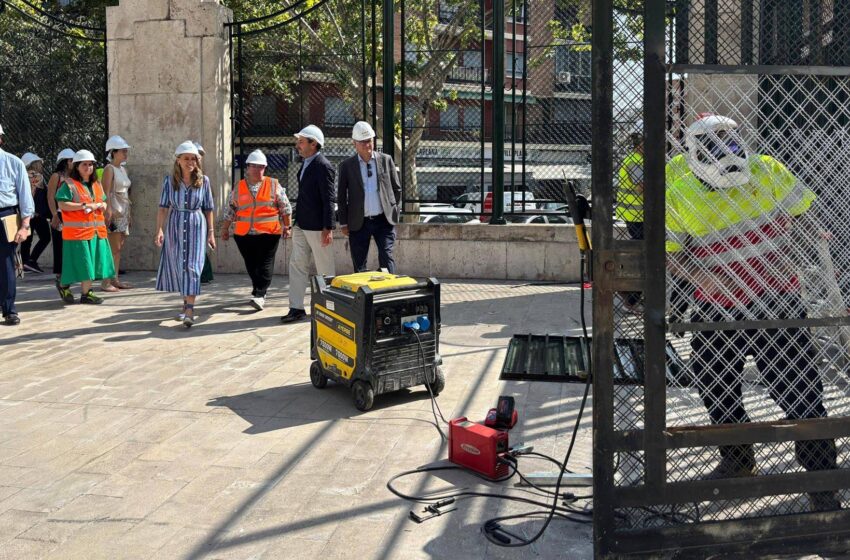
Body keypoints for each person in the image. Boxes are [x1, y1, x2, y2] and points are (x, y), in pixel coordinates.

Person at [665, 113, 839, 510]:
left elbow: (804, 209)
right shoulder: (679, 193)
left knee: (799, 390)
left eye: (729, 138)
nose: (724, 148)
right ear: (694, 150)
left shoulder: (767, 170)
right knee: (714, 382)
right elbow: (670, 249)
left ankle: (822, 482)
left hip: (777, 299)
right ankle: (738, 459)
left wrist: (818, 236)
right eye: (712, 141)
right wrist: (697, 275)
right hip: (718, 307)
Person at [221, 149, 292, 310]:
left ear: (265, 168)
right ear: (247, 168)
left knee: (265, 264)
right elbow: (230, 210)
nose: (257, 170)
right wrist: (225, 229)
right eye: (254, 166)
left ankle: (260, 295)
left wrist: (287, 226)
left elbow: (285, 207)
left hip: (269, 232)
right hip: (244, 234)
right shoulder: (238, 187)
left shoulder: (273, 184)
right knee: (252, 265)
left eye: (261, 167)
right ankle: (258, 290)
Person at [155, 141, 216, 327]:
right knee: (180, 264)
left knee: (193, 266)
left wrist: (211, 233)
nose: (190, 162)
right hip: (175, 224)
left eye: (193, 158)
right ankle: (185, 305)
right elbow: (163, 207)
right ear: (178, 160)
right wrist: (159, 229)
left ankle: (190, 309)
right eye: (186, 158)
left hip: (196, 224)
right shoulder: (169, 181)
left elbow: (208, 208)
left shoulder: (203, 181)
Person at [280, 125, 336, 323]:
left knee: (325, 268)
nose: (298, 145)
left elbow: (329, 199)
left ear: (314, 144)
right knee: (297, 265)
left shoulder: (323, 165)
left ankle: (330, 308)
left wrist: (328, 228)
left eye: (302, 142)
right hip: (301, 224)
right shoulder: (305, 163)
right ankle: (296, 308)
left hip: (318, 227)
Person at [337, 121, 401, 273]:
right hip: (359, 223)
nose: (368, 145)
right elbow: (341, 196)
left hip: (383, 221)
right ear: (355, 144)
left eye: (370, 140)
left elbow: (396, 188)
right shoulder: (346, 166)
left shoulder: (386, 160)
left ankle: (388, 292)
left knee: (387, 257)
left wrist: (393, 212)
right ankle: (364, 295)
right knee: (359, 264)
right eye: (363, 142)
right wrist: (344, 223)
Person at [55, 150, 115, 304]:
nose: (88, 167)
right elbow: (62, 204)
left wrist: (101, 204)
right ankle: (64, 285)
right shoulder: (68, 184)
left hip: (95, 232)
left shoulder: (96, 184)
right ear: (76, 167)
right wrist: (84, 206)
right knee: (81, 265)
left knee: (90, 265)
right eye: (84, 164)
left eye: (91, 164)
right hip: (77, 233)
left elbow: (103, 200)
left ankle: (86, 293)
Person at [0, 125, 34, 325]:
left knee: (5, 265)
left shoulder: (13, 163)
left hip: (6, 216)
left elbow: (25, 196)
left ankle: (9, 309)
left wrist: (25, 225)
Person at [616, 121, 644, 309]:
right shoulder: (635, 161)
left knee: (642, 256)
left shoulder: (638, 159)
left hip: (638, 216)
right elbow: (643, 188)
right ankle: (631, 298)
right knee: (643, 258)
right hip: (637, 217)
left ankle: (632, 296)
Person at [101, 135, 133, 292]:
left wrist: (129, 214)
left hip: (124, 211)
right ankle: (106, 281)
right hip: (113, 211)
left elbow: (126, 192)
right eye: (123, 151)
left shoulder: (122, 169)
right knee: (112, 248)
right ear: (113, 152)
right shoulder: (109, 169)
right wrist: (108, 210)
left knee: (118, 248)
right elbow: (105, 192)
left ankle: (114, 279)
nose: (126, 153)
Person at [48, 148, 76, 303]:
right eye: (72, 160)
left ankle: (68, 281)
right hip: (59, 217)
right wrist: (54, 215)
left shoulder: (74, 177)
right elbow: (50, 197)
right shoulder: (56, 176)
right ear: (66, 161)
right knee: (60, 249)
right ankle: (61, 281)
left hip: (72, 217)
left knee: (71, 251)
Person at [19, 153, 52, 274]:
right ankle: (30, 261)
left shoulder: (23, 175)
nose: (41, 164)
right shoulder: (35, 176)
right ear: (33, 164)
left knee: (27, 239)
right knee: (45, 237)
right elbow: (36, 194)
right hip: (36, 213)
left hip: (26, 211)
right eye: (38, 162)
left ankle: (26, 262)